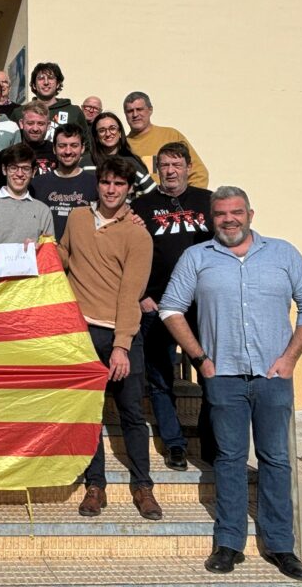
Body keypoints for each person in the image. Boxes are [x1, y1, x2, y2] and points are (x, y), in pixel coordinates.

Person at [160, 186, 302, 581]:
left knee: (276, 460)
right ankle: (229, 543)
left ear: (251, 214)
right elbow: (170, 308)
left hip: (273, 377)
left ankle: (280, 546)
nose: (229, 219)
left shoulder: (283, 253)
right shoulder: (196, 258)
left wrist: (289, 359)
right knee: (229, 461)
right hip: (224, 378)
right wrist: (201, 360)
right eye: (220, 213)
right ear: (210, 217)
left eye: (236, 212)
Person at [56, 157, 159, 521]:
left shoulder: (137, 233)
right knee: (90, 416)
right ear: (97, 184)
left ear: (129, 188)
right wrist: (36, 248)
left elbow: (131, 294)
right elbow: (63, 257)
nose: (112, 190)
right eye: (106, 183)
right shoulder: (78, 218)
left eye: (119, 184)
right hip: (80, 333)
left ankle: (143, 487)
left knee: (131, 414)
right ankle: (94, 485)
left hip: (120, 335)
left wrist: (121, 345)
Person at [131, 142, 214, 472]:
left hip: (201, 305)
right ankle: (175, 444)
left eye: (176, 164)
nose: (170, 170)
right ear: (157, 169)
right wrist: (140, 295)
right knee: (161, 381)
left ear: (187, 166)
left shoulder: (207, 202)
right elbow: (130, 252)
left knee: (210, 376)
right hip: (158, 304)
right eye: (164, 165)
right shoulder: (142, 206)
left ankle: (211, 443)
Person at [0, 143, 54, 244]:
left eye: (25, 168)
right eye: (13, 168)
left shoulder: (42, 211)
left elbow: (48, 254)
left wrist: (38, 249)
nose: (19, 174)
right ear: (4, 169)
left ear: (33, 172)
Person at [123, 91, 209, 187]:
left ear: (150, 110)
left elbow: (199, 174)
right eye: (130, 111)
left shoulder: (171, 136)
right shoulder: (123, 146)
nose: (135, 115)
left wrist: (189, 199)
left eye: (139, 109)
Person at [30, 124, 97, 239]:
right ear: (54, 149)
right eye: (62, 146)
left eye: (74, 145)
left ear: (82, 148)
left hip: (80, 253)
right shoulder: (37, 184)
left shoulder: (95, 184)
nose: (68, 151)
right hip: (46, 252)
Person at [89, 112, 157, 200]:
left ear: (120, 132)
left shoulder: (132, 163)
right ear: (96, 136)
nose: (108, 134)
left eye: (112, 128)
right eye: (102, 130)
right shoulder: (86, 162)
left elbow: (152, 194)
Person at [23, 62, 89, 142]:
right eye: (41, 78)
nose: (46, 82)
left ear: (58, 84)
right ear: (34, 85)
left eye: (51, 78)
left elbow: (86, 145)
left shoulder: (74, 112)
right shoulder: (20, 112)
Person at [11, 101, 55, 174]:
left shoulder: (56, 153)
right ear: (21, 124)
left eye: (40, 124)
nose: (35, 129)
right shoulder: (11, 153)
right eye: (30, 123)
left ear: (48, 125)